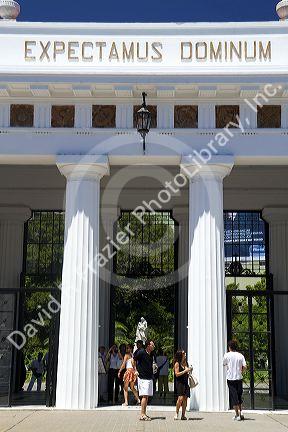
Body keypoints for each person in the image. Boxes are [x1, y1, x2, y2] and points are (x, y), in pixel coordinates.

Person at [223, 340, 247, 421]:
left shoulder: (227, 355)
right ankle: (241, 412)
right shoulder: (240, 355)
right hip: (239, 378)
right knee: (239, 395)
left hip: (230, 379)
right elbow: (245, 367)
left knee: (234, 397)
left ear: (229, 347)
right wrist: (241, 372)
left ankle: (237, 415)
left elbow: (224, 363)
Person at [133, 340, 155, 421]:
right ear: (148, 345)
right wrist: (135, 370)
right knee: (144, 396)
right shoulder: (141, 352)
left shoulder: (151, 354)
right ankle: (142, 415)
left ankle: (144, 413)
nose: (154, 346)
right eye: (152, 345)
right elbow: (133, 359)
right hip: (142, 377)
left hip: (149, 377)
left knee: (147, 397)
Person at [174, 350, 192, 420]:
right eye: (184, 353)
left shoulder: (186, 363)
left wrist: (189, 370)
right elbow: (177, 374)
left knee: (185, 399)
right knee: (180, 398)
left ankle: (183, 415)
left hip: (185, 382)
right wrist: (185, 371)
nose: (185, 354)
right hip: (180, 383)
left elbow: (187, 371)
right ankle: (176, 413)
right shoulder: (177, 363)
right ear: (181, 355)